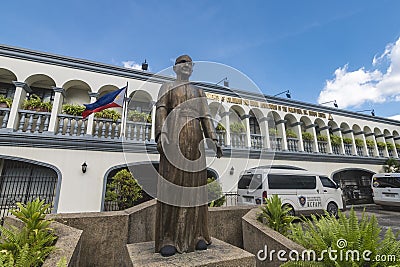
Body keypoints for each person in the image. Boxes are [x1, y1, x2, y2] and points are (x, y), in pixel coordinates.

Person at [154, 55, 223, 257]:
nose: (187, 66)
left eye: (190, 63)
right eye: (183, 62)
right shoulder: (166, 86)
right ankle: (168, 237)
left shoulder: (199, 91)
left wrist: (213, 139)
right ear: (175, 67)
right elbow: (161, 110)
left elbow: (206, 117)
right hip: (174, 133)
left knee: (195, 187)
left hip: (195, 139)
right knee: (172, 184)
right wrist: (161, 133)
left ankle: (198, 235)